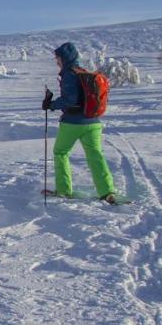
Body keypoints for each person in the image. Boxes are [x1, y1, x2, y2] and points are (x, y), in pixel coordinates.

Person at [43, 42, 117, 204]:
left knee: (61, 152)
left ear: (65, 58)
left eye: (58, 58)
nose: (56, 61)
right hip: (94, 122)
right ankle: (107, 192)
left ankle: (63, 190)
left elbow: (70, 100)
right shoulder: (84, 72)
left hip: (73, 123)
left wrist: (51, 104)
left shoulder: (70, 74)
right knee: (95, 155)